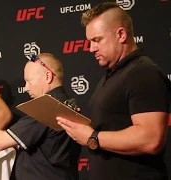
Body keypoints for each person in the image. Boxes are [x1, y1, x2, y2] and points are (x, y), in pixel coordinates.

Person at [56, 2, 171, 180]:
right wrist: (81, 125)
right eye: (89, 42)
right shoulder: (112, 75)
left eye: (97, 40)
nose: (91, 48)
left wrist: (91, 136)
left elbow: (151, 138)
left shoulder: (142, 72)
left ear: (121, 34)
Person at [0, 53, 81, 180]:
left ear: (48, 76)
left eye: (29, 81)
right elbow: (46, 146)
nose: (26, 88)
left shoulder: (47, 107)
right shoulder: (68, 103)